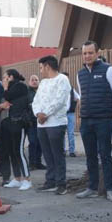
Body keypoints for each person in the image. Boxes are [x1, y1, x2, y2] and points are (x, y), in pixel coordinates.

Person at [75, 41, 112, 202]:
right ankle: (92, 188)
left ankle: (110, 189)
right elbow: (82, 96)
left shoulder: (109, 70)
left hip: (103, 119)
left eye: (90, 53)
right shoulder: (80, 74)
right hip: (86, 120)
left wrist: (108, 112)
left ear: (97, 53)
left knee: (105, 154)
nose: (87, 56)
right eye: (84, 53)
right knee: (90, 156)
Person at [32, 55, 71, 195]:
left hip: (56, 123)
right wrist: (38, 114)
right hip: (42, 124)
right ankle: (50, 181)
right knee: (47, 154)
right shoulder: (43, 83)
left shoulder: (62, 80)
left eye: (41, 67)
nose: (41, 70)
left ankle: (61, 184)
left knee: (57, 154)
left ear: (47, 66)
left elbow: (60, 100)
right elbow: (35, 101)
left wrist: (45, 114)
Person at [0, 69, 32, 190]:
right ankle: (17, 178)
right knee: (12, 151)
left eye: (5, 77)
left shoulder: (20, 86)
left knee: (19, 151)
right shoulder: (13, 87)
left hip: (20, 122)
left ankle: (27, 179)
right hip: (11, 121)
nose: (4, 80)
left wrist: (6, 87)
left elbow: (7, 96)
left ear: (11, 77)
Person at [26, 74, 45, 170]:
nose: (34, 81)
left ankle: (38, 162)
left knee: (40, 142)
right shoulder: (26, 92)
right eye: (32, 80)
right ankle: (32, 163)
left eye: (36, 80)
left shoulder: (42, 91)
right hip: (31, 122)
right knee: (33, 142)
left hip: (41, 121)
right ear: (29, 82)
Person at [65, 77, 80, 157]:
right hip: (62, 114)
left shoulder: (71, 89)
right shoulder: (59, 88)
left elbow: (78, 98)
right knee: (62, 133)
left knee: (71, 133)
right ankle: (63, 150)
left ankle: (71, 151)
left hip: (70, 113)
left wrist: (75, 108)